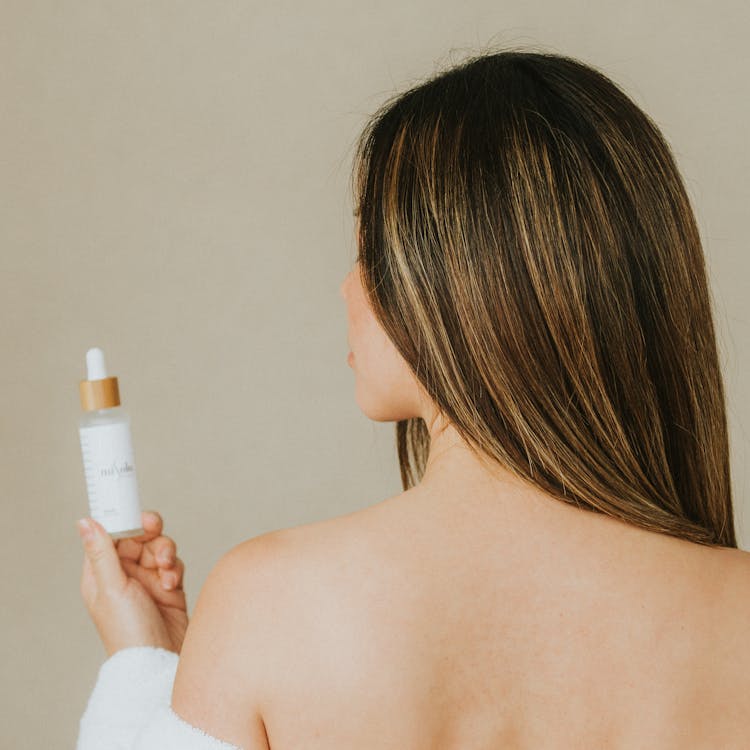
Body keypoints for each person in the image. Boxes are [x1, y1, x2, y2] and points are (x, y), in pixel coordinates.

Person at [76, 48, 750, 749]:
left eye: (370, 249)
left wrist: (141, 665)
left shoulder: (274, 603)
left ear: (456, 281)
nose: (346, 288)